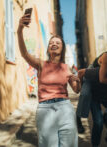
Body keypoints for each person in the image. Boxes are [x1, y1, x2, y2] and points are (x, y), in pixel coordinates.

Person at [17, 13, 81, 147]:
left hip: (65, 108)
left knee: (69, 143)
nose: (54, 44)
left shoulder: (66, 67)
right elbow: (24, 53)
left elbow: (76, 89)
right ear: (48, 48)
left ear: (62, 47)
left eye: (57, 43)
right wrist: (20, 29)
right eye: (51, 42)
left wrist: (78, 81)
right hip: (45, 109)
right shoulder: (41, 64)